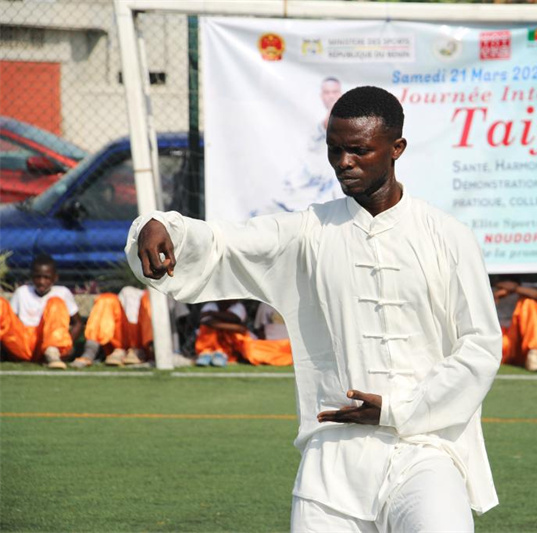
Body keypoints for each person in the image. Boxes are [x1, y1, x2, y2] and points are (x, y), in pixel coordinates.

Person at [127, 86, 501, 531]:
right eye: (335, 150)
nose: (344, 162)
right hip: (333, 460)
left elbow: (480, 346)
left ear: (396, 148)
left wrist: (397, 409)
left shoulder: (447, 236)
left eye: (359, 150)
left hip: (427, 451)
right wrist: (163, 227)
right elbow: (227, 242)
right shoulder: (310, 232)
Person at [273, 77, 344, 213]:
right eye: (327, 92)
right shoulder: (313, 115)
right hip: (308, 188)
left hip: (333, 188)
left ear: (340, 93)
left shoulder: (347, 116)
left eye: (334, 92)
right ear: (321, 95)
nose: (331, 96)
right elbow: (325, 125)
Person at [0, 254, 82, 369]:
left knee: (56, 302)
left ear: (55, 278)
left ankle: (53, 353)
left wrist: (66, 342)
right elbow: (8, 324)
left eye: (46, 277)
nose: (41, 282)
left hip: (48, 341)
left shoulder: (62, 292)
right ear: (31, 277)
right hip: (23, 342)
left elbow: (77, 323)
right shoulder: (22, 292)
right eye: (37, 277)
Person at [71, 286, 152, 368]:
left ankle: (145, 352)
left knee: (151, 296)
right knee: (107, 298)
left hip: (146, 344)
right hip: (119, 343)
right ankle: (89, 354)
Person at [194, 299, 292, 367]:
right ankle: (207, 353)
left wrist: (212, 315)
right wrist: (232, 327)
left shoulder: (238, 306)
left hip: (235, 346)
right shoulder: (210, 305)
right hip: (213, 345)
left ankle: (221, 354)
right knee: (206, 329)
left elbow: (236, 321)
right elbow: (206, 323)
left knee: (255, 352)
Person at [493, 278, 537, 373]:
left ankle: (534, 354)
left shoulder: (529, 284)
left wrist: (514, 288)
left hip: (524, 341)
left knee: (529, 303)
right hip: (501, 339)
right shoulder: (487, 283)